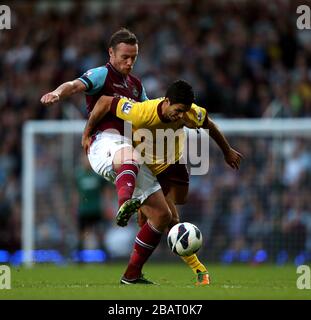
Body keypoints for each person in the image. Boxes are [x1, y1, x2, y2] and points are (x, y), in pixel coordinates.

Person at [40, 28, 211, 285]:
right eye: (124, 57)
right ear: (111, 53)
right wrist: (57, 92)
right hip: (103, 144)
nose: (129, 62)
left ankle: (132, 275)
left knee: (164, 216)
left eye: (133, 57)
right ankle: (125, 202)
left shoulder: (136, 85)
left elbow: (145, 116)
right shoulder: (102, 74)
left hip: (129, 154)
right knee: (128, 154)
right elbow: (75, 85)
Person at [82, 80, 243, 285]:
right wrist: (87, 132)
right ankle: (198, 270)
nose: (181, 116)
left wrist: (227, 151)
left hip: (173, 166)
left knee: (171, 212)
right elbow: (105, 101)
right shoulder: (142, 112)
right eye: (178, 110)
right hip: (146, 168)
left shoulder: (191, 113)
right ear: (166, 102)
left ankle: (141, 225)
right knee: (169, 218)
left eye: (185, 111)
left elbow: (209, 124)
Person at [74, 154, 108, 256]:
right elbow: (76, 193)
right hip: (84, 210)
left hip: (96, 209)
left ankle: (105, 256)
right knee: (81, 234)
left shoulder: (97, 175)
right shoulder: (79, 175)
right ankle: (79, 257)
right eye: (84, 160)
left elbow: (105, 191)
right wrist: (75, 207)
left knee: (99, 234)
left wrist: (106, 205)